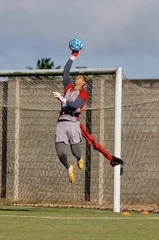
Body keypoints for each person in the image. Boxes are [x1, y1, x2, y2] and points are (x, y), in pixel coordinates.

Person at [53, 49, 88, 183]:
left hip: (73, 122)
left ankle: (79, 158)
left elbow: (75, 105)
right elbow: (65, 71)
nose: (76, 78)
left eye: (80, 77)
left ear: (84, 82)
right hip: (62, 122)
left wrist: (62, 99)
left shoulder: (83, 93)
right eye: (76, 76)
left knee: (76, 151)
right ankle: (69, 167)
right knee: (60, 152)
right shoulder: (68, 88)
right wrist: (73, 55)